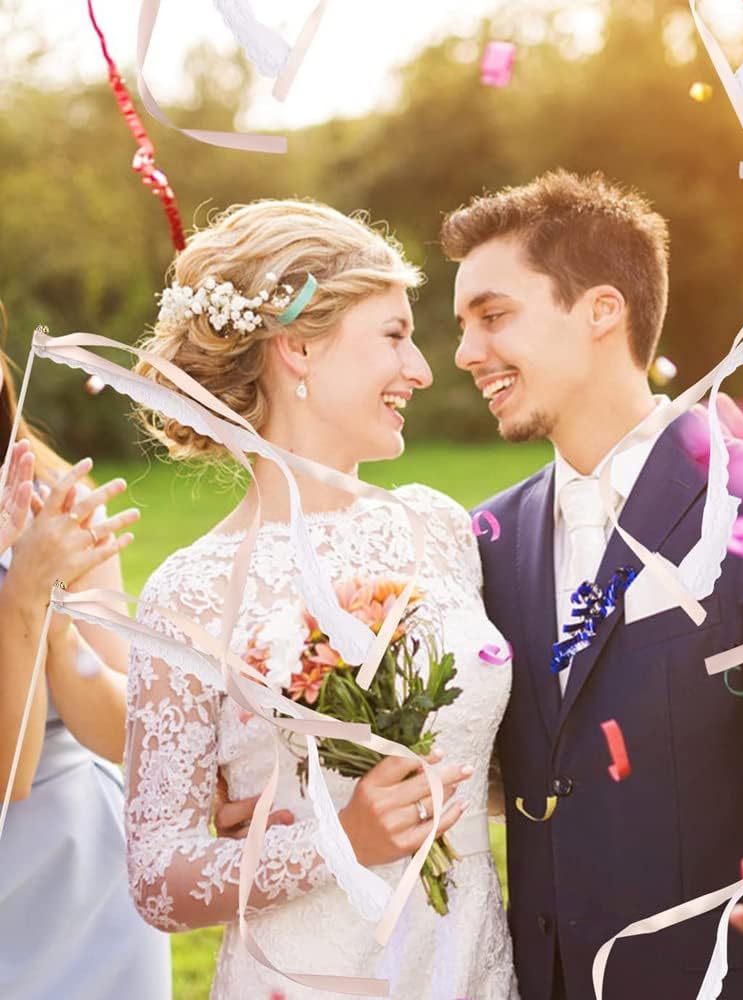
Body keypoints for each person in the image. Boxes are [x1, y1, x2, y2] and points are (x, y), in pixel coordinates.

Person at [442, 170, 743, 999]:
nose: (466, 353)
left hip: (737, 974)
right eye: (462, 326)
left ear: (603, 310)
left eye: (493, 317)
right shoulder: (488, 538)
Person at [125, 199, 519, 998]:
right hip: (308, 977)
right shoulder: (191, 594)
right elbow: (156, 876)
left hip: (468, 964)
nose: (422, 369)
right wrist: (335, 839)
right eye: (395, 335)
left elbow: (485, 765)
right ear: (299, 345)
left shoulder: (439, 529)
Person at [0, 304, 170, 999]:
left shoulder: (56, 495)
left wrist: (50, 613)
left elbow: (117, 729)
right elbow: (7, 779)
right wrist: (22, 598)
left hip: (81, 876)